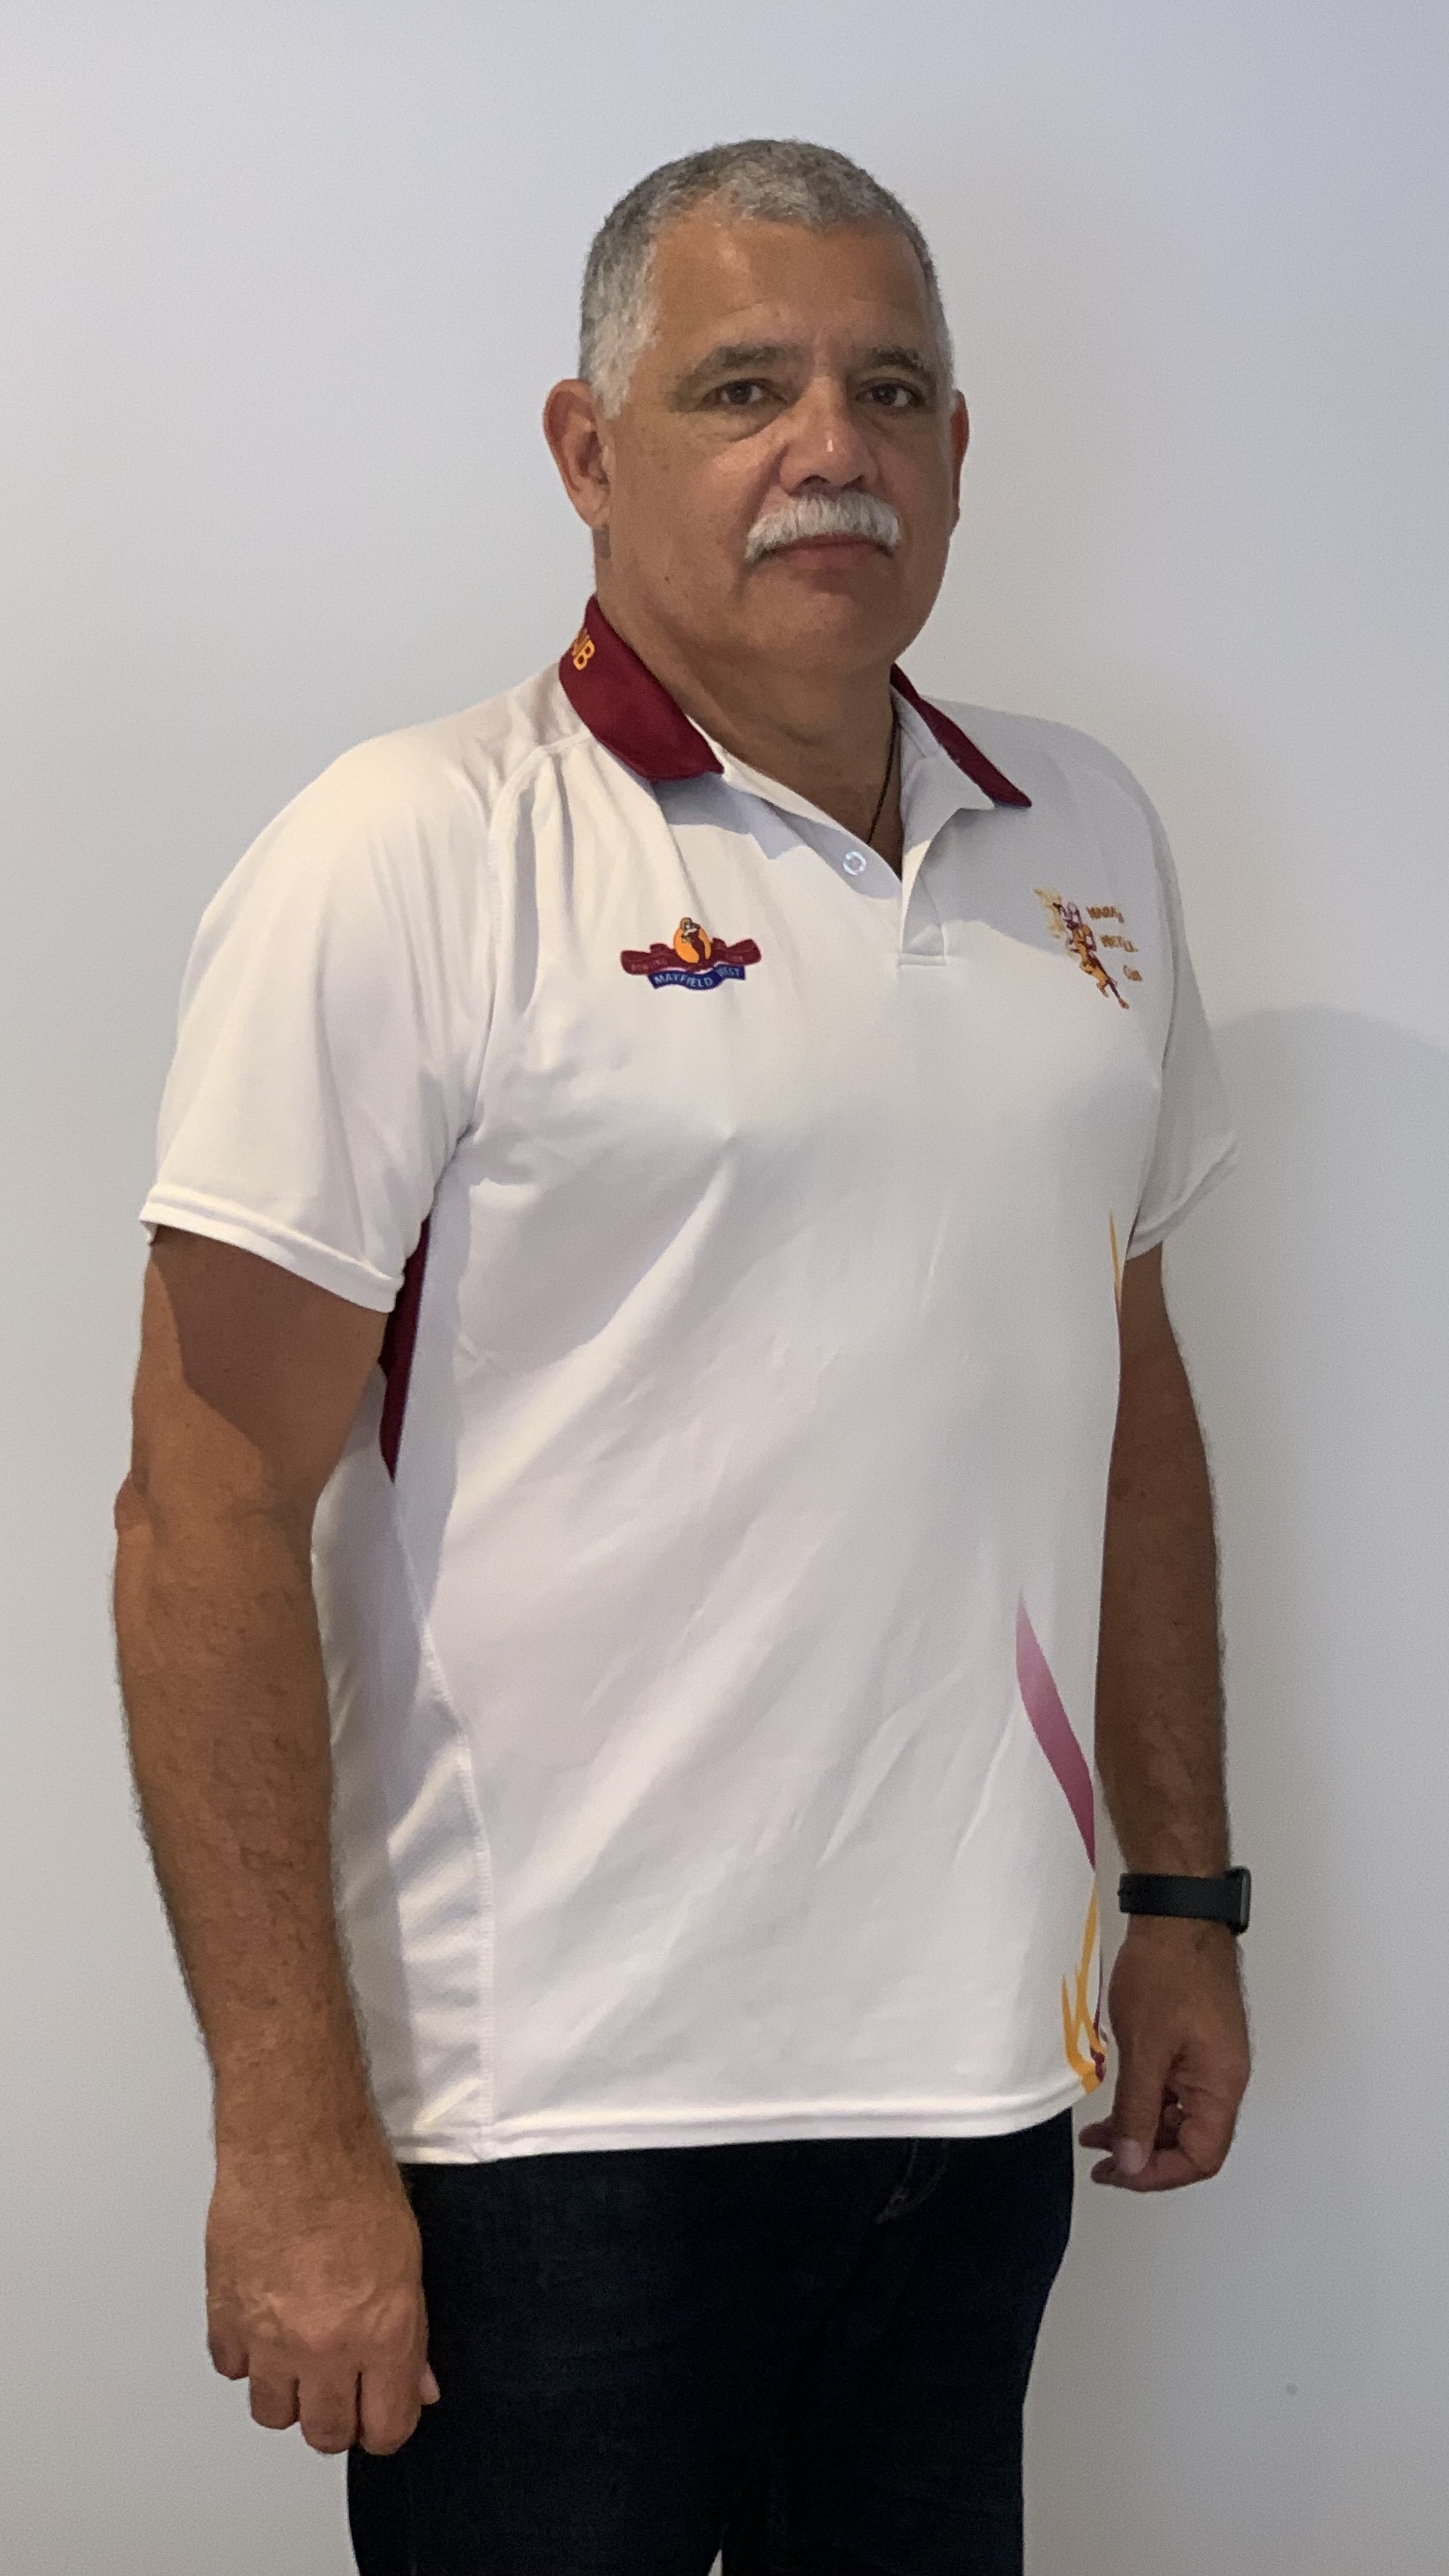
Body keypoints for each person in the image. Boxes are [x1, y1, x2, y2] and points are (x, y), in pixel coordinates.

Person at [114, 139, 1252, 2576]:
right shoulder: (409, 851)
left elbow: (1125, 1385)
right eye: (743, 388)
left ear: (959, 450)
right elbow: (201, 1504)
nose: (830, 446)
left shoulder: (1091, 840)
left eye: (890, 390)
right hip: (550, 2140)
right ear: (586, 446)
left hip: (975, 2099)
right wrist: (286, 2128)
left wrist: (1187, 1894)